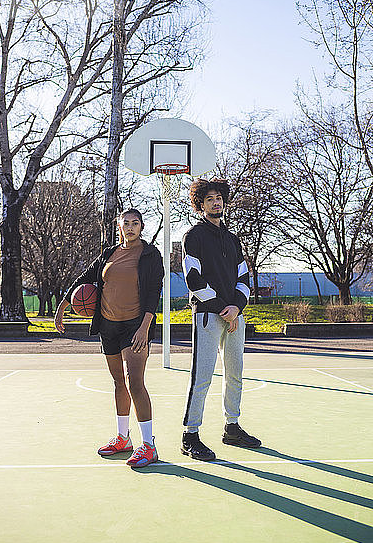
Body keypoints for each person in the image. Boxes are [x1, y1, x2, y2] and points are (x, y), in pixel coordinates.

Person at [54, 208, 164, 468]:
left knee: (134, 381)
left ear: (141, 226)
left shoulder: (150, 255)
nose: (130, 227)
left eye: (135, 223)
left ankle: (149, 444)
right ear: (119, 226)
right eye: (125, 223)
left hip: (135, 325)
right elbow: (84, 279)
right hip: (109, 325)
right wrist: (62, 306)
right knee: (118, 383)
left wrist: (145, 327)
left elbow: (153, 292)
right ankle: (123, 438)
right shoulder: (109, 254)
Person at [181, 178, 261, 461]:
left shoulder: (232, 239)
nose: (216, 202)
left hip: (234, 316)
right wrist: (221, 308)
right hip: (207, 315)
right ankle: (190, 435)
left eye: (219, 198)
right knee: (202, 377)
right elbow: (193, 279)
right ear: (200, 204)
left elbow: (243, 278)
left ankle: (232, 427)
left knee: (235, 373)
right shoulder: (194, 237)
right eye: (210, 198)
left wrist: (236, 308)